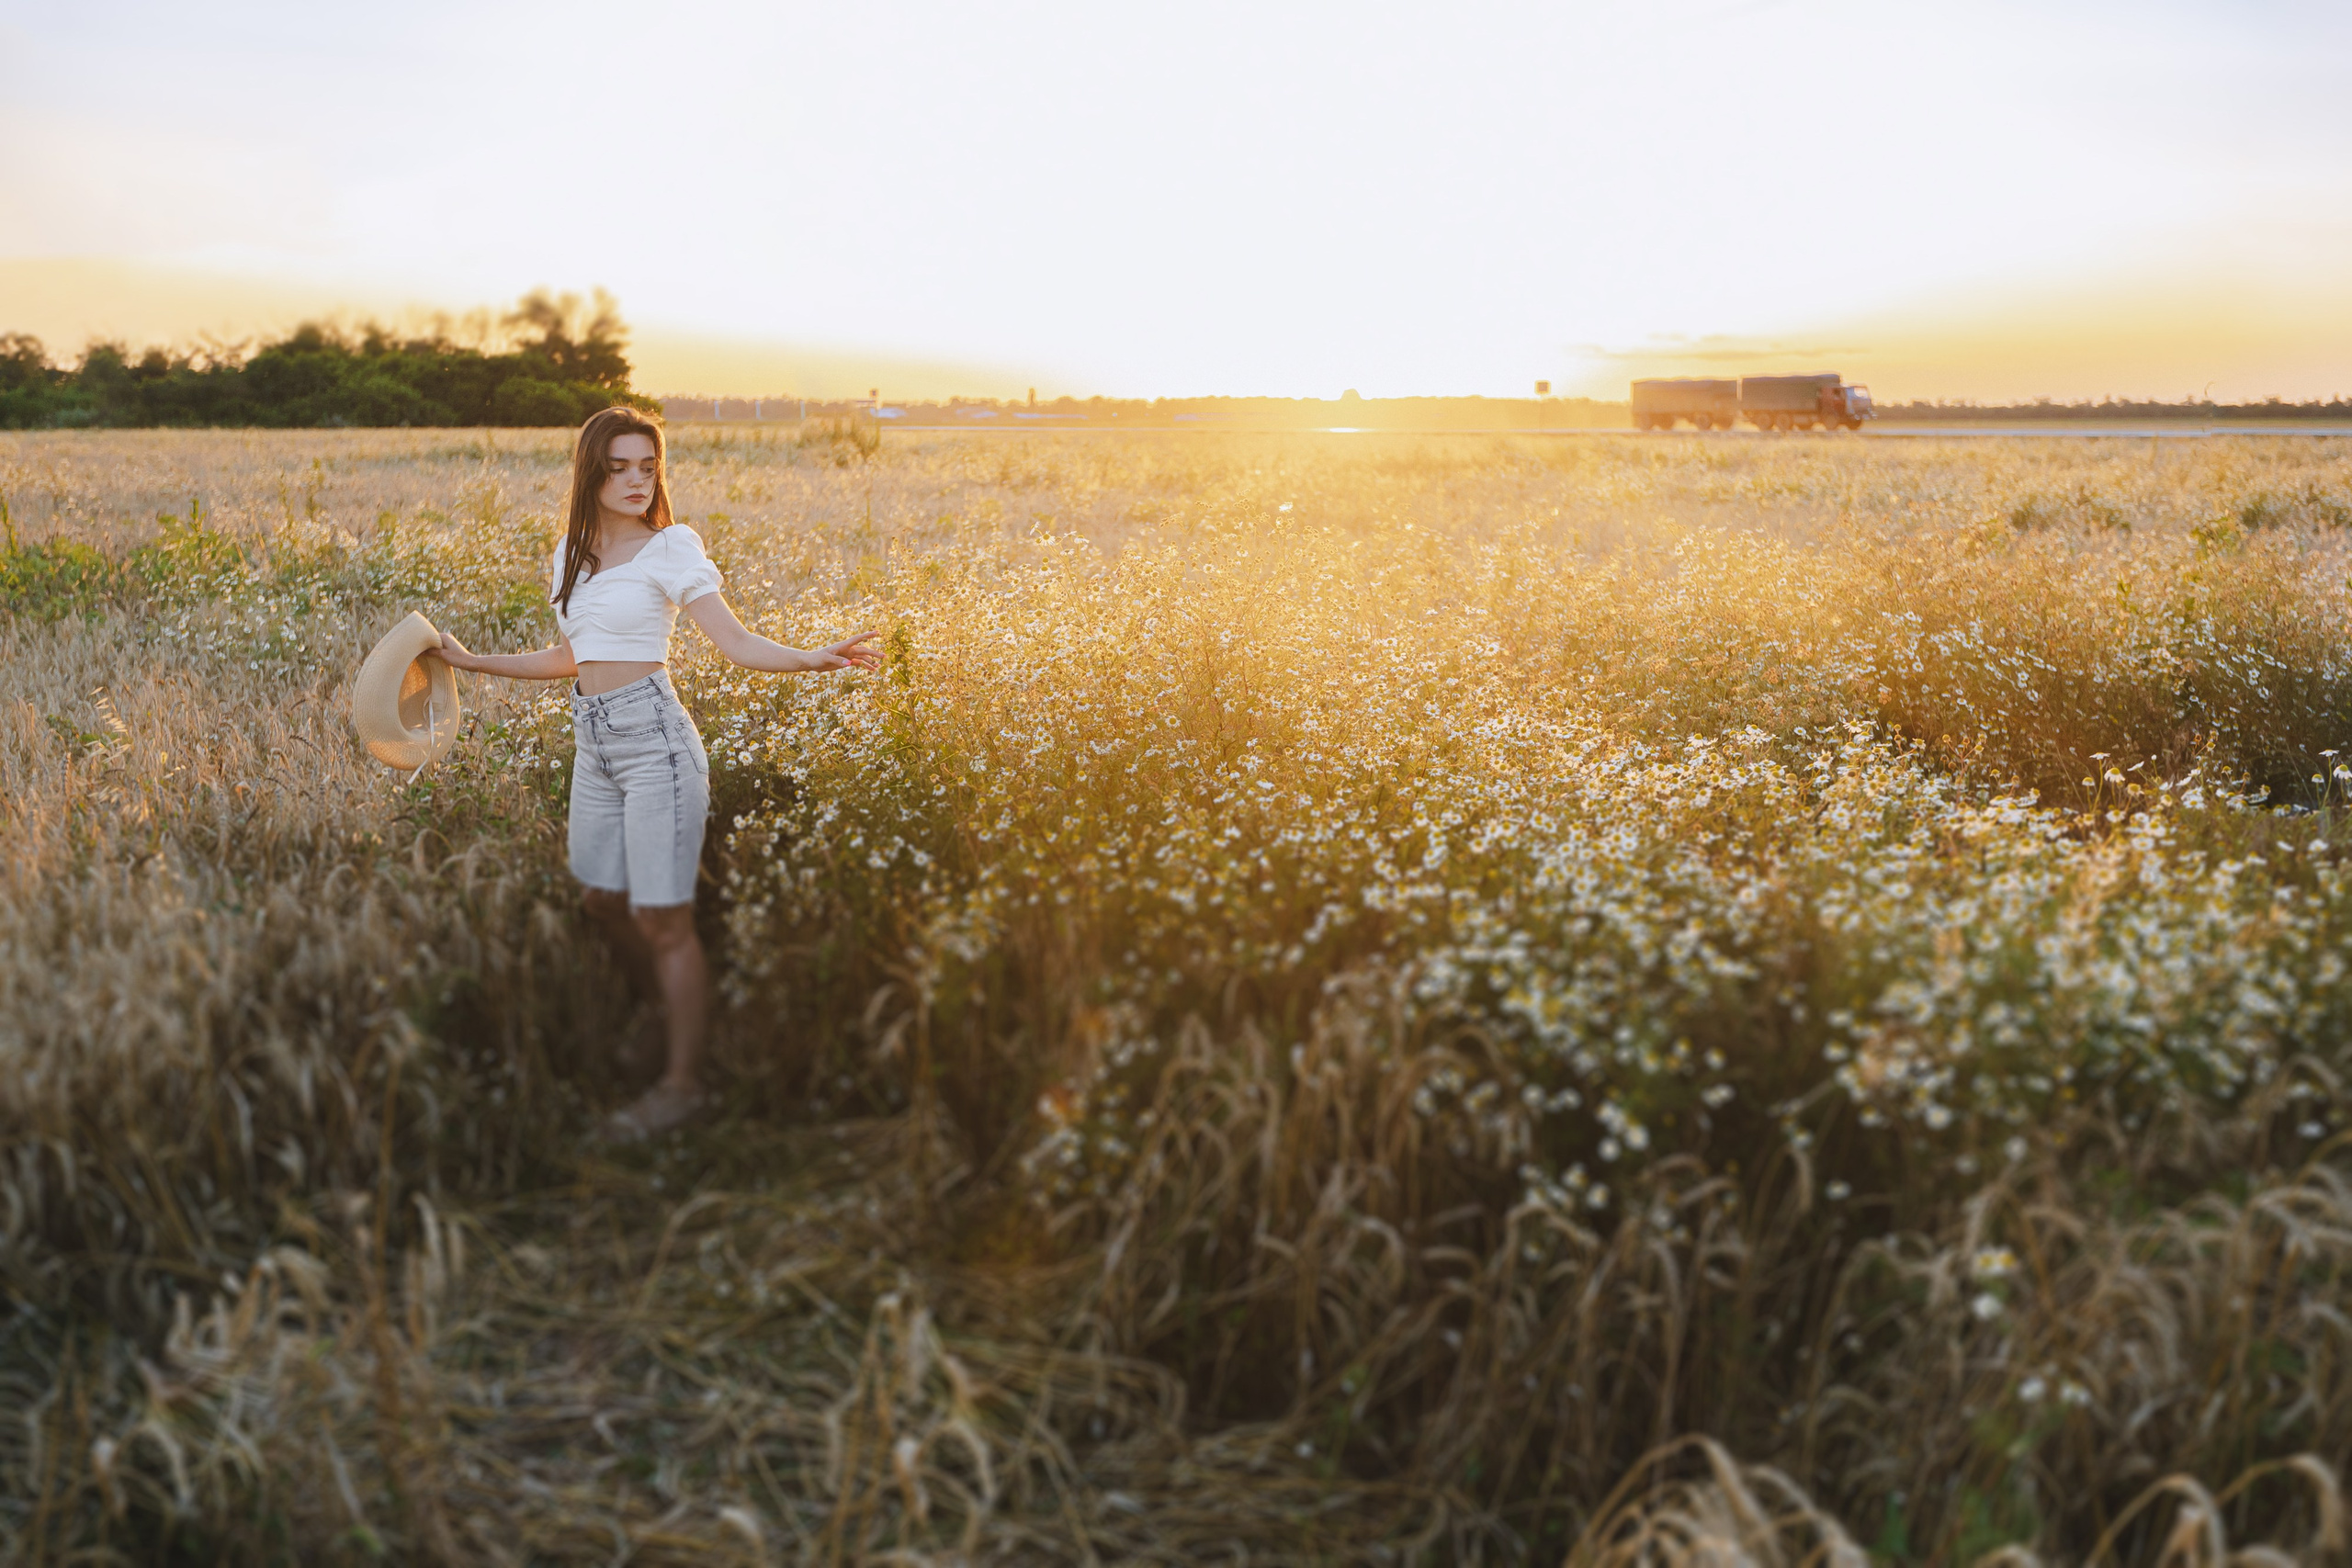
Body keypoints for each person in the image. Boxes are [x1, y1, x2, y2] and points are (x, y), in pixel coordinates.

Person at [435, 406, 879, 1138]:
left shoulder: (671, 546)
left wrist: (811, 657)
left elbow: (736, 641)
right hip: (594, 744)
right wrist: (474, 661)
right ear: (591, 474)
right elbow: (573, 656)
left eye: (648, 466)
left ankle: (683, 1084)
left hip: (657, 746)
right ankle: (663, 1011)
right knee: (603, 900)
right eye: (619, 468)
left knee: (662, 920)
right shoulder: (570, 555)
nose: (637, 480)